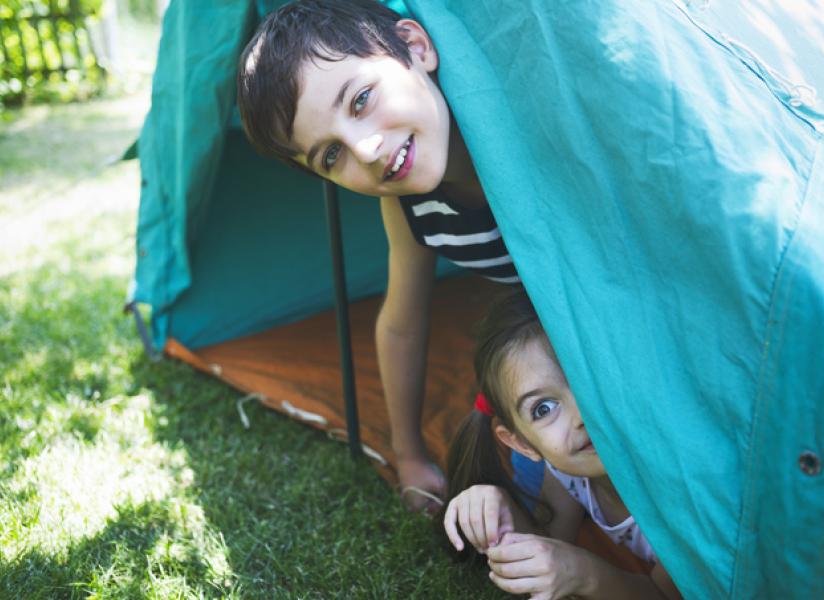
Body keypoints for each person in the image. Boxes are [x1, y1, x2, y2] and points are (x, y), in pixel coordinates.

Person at [237, 0, 518, 511]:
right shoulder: (406, 205)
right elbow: (401, 324)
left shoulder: (518, 135)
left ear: (417, 47)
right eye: (330, 154)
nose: (365, 151)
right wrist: (408, 453)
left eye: (361, 99)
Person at [442, 290, 681, 599]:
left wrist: (585, 575)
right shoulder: (568, 473)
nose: (583, 417)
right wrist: (501, 512)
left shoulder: (680, 490)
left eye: (590, 380)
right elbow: (551, 542)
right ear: (522, 444)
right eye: (543, 408)